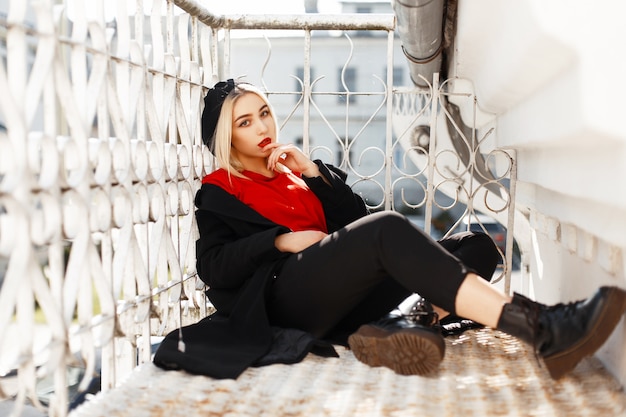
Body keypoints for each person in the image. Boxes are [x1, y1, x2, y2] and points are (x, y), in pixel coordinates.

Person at [153, 79, 626, 381]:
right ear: (225, 137)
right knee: (389, 229)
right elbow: (213, 267)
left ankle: (400, 324)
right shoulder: (218, 192)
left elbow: (358, 222)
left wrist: (316, 177)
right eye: (244, 122)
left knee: (474, 246)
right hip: (286, 299)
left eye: (264, 113)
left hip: (338, 291)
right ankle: (542, 328)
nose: (262, 126)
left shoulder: (294, 173)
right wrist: (279, 240)